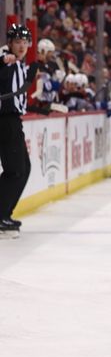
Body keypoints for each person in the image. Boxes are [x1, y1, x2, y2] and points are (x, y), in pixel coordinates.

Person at [0, 24, 38, 238]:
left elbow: (18, 98)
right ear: (10, 43)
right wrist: (2, 60)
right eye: (17, 42)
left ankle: (5, 213)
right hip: (5, 122)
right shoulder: (6, 60)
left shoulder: (20, 66)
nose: (22, 46)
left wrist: (42, 108)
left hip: (14, 121)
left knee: (24, 168)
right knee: (14, 171)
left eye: (25, 42)